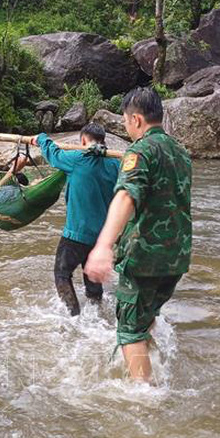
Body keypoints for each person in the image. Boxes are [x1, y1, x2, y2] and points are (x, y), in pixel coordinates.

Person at [85, 87, 192, 383]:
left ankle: (144, 395)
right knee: (146, 315)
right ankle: (151, 362)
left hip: (146, 257)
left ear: (136, 120)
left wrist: (103, 246)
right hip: (177, 258)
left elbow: (125, 197)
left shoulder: (141, 150)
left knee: (129, 328)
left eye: (126, 120)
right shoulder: (181, 152)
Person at [31, 123, 120, 316]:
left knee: (62, 274)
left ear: (83, 141)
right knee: (92, 274)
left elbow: (53, 155)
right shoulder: (116, 165)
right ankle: (97, 311)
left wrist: (41, 138)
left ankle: (74, 316)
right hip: (102, 237)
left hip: (76, 234)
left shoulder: (77, 159)